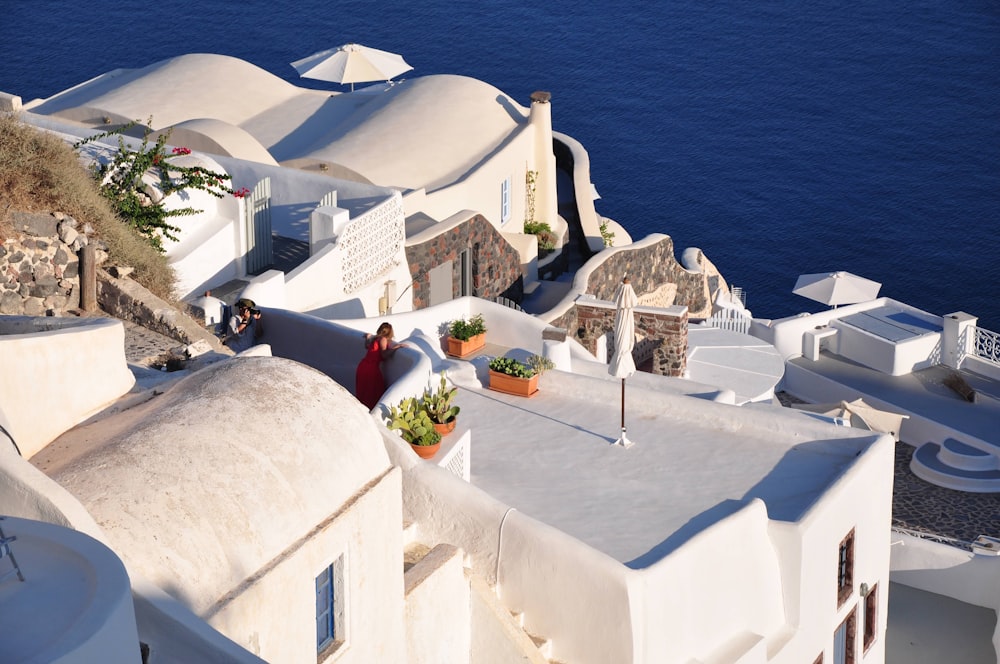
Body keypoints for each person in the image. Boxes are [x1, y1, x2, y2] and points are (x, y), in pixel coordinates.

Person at [355, 322, 405, 410]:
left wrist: (367, 338)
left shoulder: (375, 338)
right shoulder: (383, 339)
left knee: (364, 391)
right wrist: (396, 348)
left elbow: (367, 346)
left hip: (363, 365)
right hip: (371, 368)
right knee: (373, 391)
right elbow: (384, 354)